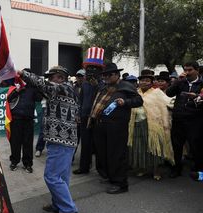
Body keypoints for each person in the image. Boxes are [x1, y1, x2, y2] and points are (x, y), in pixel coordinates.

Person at [19, 65, 79, 213]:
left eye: (51, 77)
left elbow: (41, 84)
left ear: (60, 77)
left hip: (62, 140)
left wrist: (22, 73)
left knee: (51, 176)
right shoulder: (63, 90)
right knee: (61, 177)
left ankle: (67, 209)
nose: (48, 80)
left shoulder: (65, 88)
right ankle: (58, 203)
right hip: (60, 140)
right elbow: (42, 88)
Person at [88, 63, 143, 194]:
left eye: (108, 75)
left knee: (116, 154)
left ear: (116, 75)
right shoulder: (104, 87)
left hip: (117, 126)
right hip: (101, 124)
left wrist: (126, 102)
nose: (105, 77)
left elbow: (139, 101)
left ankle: (120, 183)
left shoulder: (125, 86)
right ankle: (109, 176)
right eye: (104, 75)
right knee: (103, 153)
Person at [128, 69, 174, 180]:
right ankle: (142, 168)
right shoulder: (135, 92)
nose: (144, 82)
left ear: (151, 82)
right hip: (136, 123)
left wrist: (180, 100)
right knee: (139, 147)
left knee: (154, 148)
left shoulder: (157, 92)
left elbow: (169, 101)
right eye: (142, 80)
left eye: (147, 80)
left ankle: (156, 171)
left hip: (153, 125)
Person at [166, 61, 203, 178]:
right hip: (179, 119)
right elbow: (168, 93)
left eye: (190, 70)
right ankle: (177, 169)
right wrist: (177, 81)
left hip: (195, 120)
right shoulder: (181, 82)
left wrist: (196, 97)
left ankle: (198, 170)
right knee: (177, 146)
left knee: (195, 146)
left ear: (197, 70)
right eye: (185, 70)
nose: (187, 73)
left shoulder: (201, 83)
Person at [73, 47, 105, 175]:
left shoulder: (103, 84)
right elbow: (80, 101)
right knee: (85, 144)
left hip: (97, 117)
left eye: (94, 68)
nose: (91, 70)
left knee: (98, 145)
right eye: (89, 67)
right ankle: (84, 167)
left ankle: (101, 169)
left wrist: (96, 84)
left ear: (100, 70)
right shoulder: (84, 84)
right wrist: (78, 114)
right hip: (85, 117)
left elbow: (103, 97)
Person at [7, 68, 43, 173]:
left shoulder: (33, 87)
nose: (23, 77)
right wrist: (17, 91)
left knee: (28, 142)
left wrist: (37, 87)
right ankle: (14, 161)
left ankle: (27, 164)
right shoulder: (15, 85)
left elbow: (39, 99)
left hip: (28, 119)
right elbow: (9, 99)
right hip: (16, 119)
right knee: (15, 142)